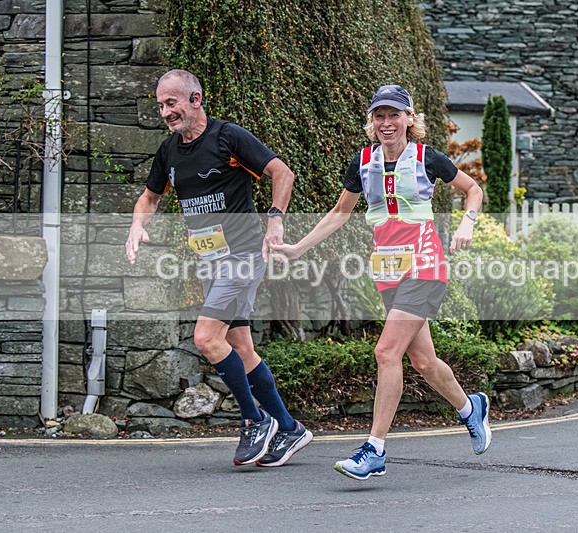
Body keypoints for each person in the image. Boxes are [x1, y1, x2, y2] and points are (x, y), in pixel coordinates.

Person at [272, 85, 491, 480]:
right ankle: (470, 408)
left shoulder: (427, 159)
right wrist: (297, 249)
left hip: (425, 266)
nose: (387, 123)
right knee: (422, 361)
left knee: (386, 352)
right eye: (379, 116)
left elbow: (473, 189)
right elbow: (340, 213)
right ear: (372, 123)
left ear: (410, 118)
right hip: (388, 271)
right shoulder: (362, 162)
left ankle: (374, 450)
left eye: (394, 115)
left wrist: (468, 224)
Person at [125, 69, 312, 467]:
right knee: (240, 348)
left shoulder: (228, 137)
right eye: (160, 105)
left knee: (207, 338)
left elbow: (283, 172)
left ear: (195, 99)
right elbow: (149, 197)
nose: (165, 112)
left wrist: (275, 218)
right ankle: (289, 428)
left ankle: (253, 420)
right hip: (211, 262)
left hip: (243, 257)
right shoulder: (169, 151)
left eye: (171, 103)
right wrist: (137, 225)